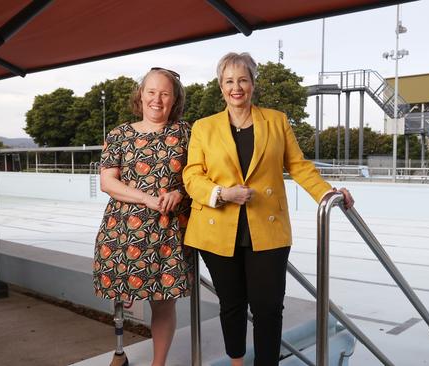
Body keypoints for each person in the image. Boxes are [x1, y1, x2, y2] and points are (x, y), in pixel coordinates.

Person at [182, 52, 354, 365]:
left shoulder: (275, 120)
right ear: (221, 86)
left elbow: (299, 166)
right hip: (218, 229)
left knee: (269, 307)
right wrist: (222, 193)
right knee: (232, 305)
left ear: (252, 84)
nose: (237, 87)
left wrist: (329, 194)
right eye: (229, 81)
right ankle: (236, 362)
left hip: (267, 228)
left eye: (243, 80)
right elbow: (192, 175)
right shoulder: (204, 128)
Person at [94, 67, 192, 366]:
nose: (157, 99)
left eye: (165, 93)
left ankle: (157, 364)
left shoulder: (186, 133)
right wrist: (148, 198)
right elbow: (108, 182)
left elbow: (200, 176)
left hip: (168, 232)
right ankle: (120, 351)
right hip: (123, 230)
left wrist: (182, 193)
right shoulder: (120, 134)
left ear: (175, 99)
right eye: (151, 92)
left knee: (163, 304)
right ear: (141, 94)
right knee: (121, 292)